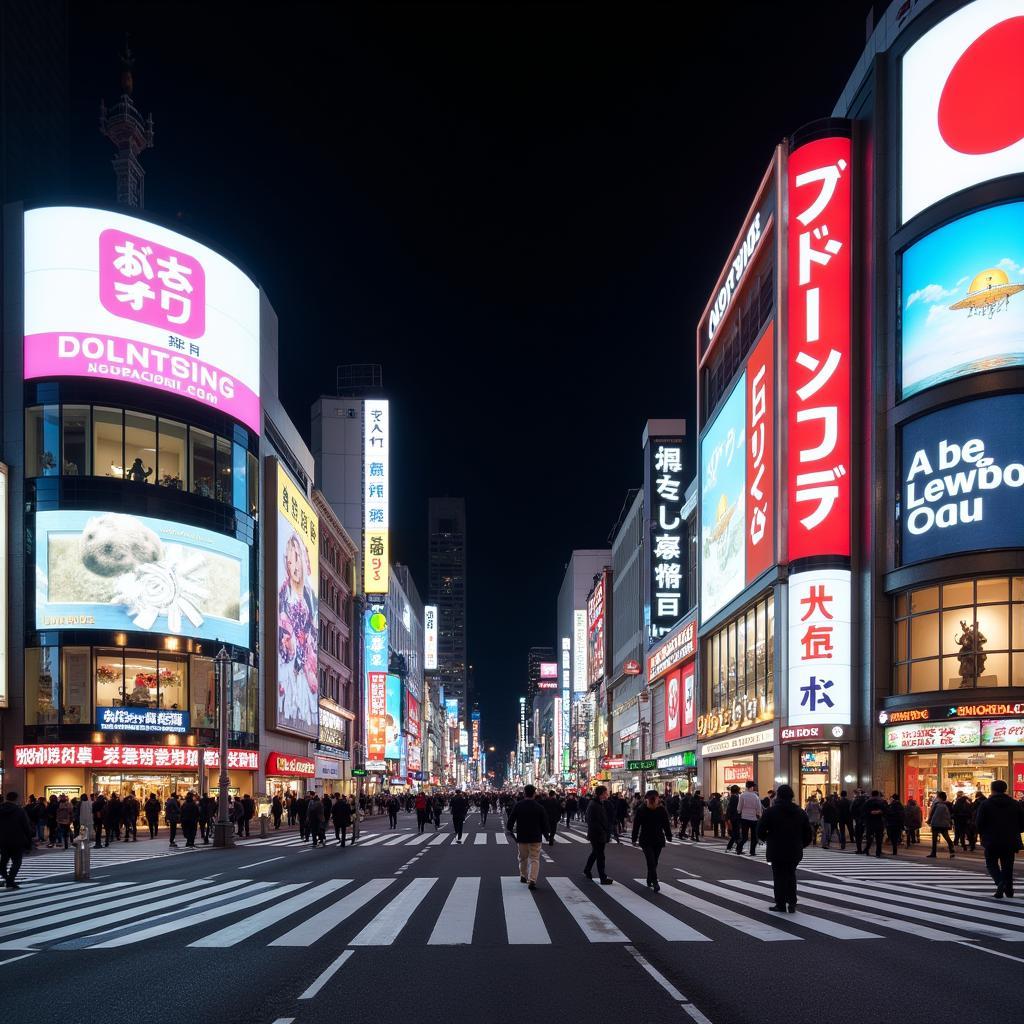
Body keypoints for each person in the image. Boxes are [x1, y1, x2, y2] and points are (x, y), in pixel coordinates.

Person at [757, 784, 812, 913]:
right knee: (791, 874)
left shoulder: (771, 811)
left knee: (779, 876)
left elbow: (760, 830)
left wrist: (767, 838)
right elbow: (808, 834)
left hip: (776, 849)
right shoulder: (800, 812)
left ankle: (780, 903)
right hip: (794, 849)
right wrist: (800, 844)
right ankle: (792, 903)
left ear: (778, 796)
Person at [975, 779, 1024, 899]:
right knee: (1008, 865)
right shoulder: (1015, 804)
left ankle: (1000, 882)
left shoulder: (985, 804)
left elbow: (979, 823)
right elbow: (1022, 823)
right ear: (1005, 789)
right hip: (1010, 840)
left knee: (991, 864)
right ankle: (1009, 889)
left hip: (991, 839)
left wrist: (982, 834)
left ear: (992, 790)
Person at [507, 784, 547, 890]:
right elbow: (544, 823)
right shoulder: (539, 807)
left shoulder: (519, 805)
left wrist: (509, 828)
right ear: (534, 794)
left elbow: (511, 819)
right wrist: (546, 834)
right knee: (534, 858)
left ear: (524, 793)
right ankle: (532, 880)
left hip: (522, 836)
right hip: (535, 836)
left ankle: (523, 876)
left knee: (523, 857)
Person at [631, 790, 672, 891]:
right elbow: (636, 825)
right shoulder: (644, 809)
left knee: (654, 861)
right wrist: (634, 838)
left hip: (652, 839)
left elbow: (666, 824)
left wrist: (668, 835)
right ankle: (655, 881)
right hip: (650, 839)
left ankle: (650, 878)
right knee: (651, 861)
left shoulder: (658, 809)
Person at [0, 792, 34, 890]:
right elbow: (26, 826)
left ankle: (6, 877)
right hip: (17, 839)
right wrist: (29, 838)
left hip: (2, 839)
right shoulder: (20, 811)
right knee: (17, 861)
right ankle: (10, 880)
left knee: (4, 860)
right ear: (16, 799)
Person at [584, 785, 615, 885]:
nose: (607, 794)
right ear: (602, 794)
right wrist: (602, 832)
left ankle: (587, 869)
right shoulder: (594, 805)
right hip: (597, 834)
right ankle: (602, 877)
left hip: (597, 833)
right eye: (606, 793)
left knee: (595, 853)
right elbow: (593, 822)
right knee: (600, 856)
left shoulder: (598, 803)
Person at [736, 780, 762, 856]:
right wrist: (759, 815)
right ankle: (752, 851)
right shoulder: (755, 796)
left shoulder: (743, 795)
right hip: (754, 819)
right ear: (752, 787)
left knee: (744, 837)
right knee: (754, 837)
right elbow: (758, 808)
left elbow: (739, 807)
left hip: (744, 818)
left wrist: (739, 813)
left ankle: (739, 849)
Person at [926, 791, 955, 858]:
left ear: (939, 797)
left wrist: (929, 820)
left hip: (936, 823)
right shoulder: (946, 805)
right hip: (944, 824)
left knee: (934, 838)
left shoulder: (936, 804)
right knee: (946, 837)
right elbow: (948, 815)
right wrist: (949, 822)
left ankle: (933, 853)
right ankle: (951, 850)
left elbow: (932, 813)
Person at [861, 790, 887, 857]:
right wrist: (879, 812)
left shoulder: (867, 802)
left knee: (869, 837)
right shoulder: (882, 802)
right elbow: (886, 811)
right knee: (879, 838)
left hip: (870, 822)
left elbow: (864, 811)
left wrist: (870, 813)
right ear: (878, 795)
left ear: (871, 795)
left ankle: (867, 850)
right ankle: (878, 852)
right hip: (879, 822)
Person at [724, 786, 741, 851]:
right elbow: (732, 809)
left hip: (732, 818)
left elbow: (729, 809)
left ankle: (735, 847)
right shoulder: (735, 798)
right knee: (736, 834)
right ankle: (736, 848)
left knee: (735, 834)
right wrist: (729, 819)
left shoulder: (732, 797)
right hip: (734, 818)